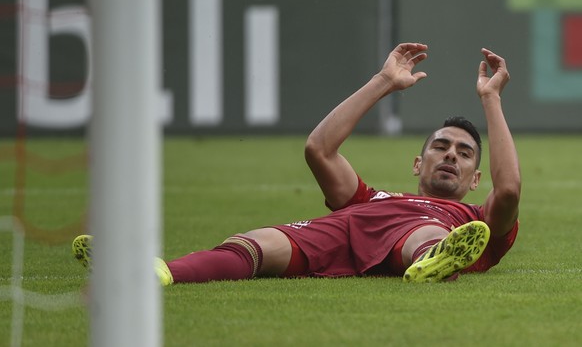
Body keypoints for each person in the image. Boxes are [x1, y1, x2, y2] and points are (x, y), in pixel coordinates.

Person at [73, 43, 520, 283]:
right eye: (441, 147)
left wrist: (491, 99)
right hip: (349, 229)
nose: (450, 155)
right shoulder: (368, 199)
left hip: (433, 233)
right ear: (417, 163)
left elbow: (510, 191)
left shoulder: (474, 219)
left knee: (429, 230)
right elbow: (319, 150)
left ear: (475, 178)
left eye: (463, 154)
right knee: (256, 242)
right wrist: (382, 82)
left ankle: (432, 258)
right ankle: (160, 272)